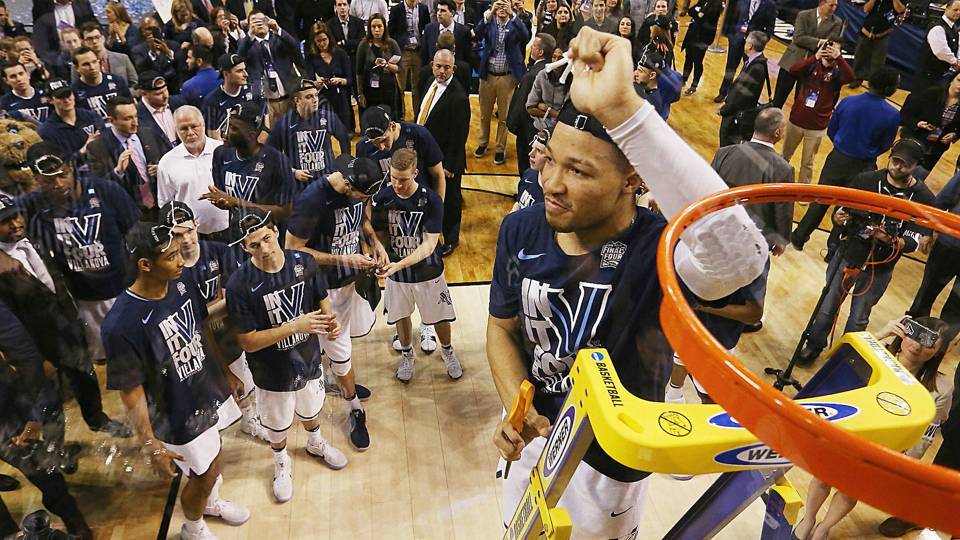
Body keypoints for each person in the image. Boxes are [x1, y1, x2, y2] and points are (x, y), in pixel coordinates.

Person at [490, 27, 767, 539]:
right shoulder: (521, 227)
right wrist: (515, 403)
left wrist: (625, 112)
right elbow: (503, 328)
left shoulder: (661, 251)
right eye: (550, 158)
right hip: (534, 441)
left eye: (579, 170)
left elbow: (738, 259)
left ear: (633, 179)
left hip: (611, 466)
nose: (550, 182)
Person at [103, 222, 250, 540]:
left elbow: (202, 327)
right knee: (203, 472)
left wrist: (224, 372)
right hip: (175, 412)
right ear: (145, 265)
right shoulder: (121, 324)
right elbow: (131, 390)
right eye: (171, 256)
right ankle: (192, 527)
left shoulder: (181, 282)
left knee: (215, 454)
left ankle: (210, 503)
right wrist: (149, 444)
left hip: (206, 387)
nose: (181, 260)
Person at [225, 208, 349, 502]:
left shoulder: (304, 262)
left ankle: (315, 442)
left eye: (267, 238)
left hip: (307, 360)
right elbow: (248, 342)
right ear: (244, 247)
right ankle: (281, 461)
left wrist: (330, 322)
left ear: (276, 231)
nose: (264, 248)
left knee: (312, 408)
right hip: (271, 372)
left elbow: (322, 300)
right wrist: (293, 326)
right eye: (254, 245)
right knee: (277, 425)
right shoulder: (238, 285)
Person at [794, 316, 954, 540]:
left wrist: (904, 462)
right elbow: (841, 358)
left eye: (929, 342)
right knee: (823, 477)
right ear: (903, 330)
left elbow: (927, 434)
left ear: (938, 352)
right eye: (914, 334)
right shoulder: (876, 352)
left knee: (851, 493)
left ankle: (824, 528)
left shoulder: (942, 389)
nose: (917, 345)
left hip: (886, 449)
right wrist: (880, 334)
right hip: (851, 430)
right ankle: (809, 519)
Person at [0, 196, 131, 438]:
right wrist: (33, 357)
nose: (16, 223)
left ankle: (96, 419)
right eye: (5, 221)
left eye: (16, 215)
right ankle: (56, 449)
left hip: (66, 327)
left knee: (85, 377)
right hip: (35, 344)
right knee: (48, 400)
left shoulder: (36, 241)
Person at [796, 140, 935, 365]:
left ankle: (846, 358)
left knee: (859, 317)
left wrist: (896, 241)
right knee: (827, 306)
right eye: (895, 161)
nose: (898, 167)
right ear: (889, 157)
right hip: (848, 254)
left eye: (905, 164)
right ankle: (813, 344)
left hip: (880, 267)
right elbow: (843, 211)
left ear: (916, 166)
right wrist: (838, 218)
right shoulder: (866, 180)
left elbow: (919, 238)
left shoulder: (924, 198)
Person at [285, 155, 387, 450]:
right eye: (363, 195)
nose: (365, 200)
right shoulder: (312, 200)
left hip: (348, 281)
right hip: (320, 289)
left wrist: (375, 242)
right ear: (347, 184)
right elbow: (292, 250)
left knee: (337, 348)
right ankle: (354, 408)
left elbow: (361, 217)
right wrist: (343, 258)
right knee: (340, 351)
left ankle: (334, 379)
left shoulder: (354, 190)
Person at [17, 140, 139, 377]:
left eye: (62, 175)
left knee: (140, 352)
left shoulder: (106, 190)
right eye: (48, 180)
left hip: (125, 290)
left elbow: (137, 234)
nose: (57, 184)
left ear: (71, 166)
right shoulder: (31, 205)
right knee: (108, 361)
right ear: (35, 178)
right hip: (82, 299)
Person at [158, 201, 268, 442]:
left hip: (227, 334)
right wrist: (210, 311)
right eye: (177, 234)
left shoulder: (219, 251)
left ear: (197, 225)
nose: (186, 239)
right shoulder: (168, 271)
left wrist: (203, 314)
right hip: (192, 343)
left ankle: (249, 419)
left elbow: (231, 300)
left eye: (189, 230)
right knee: (205, 393)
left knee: (244, 379)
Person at [0, 301, 91, 540]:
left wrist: (32, 413)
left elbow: (22, 351)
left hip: (5, 412)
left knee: (41, 469)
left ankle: (71, 515)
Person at [373, 148, 463, 381]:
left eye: (402, 180)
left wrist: (397, 265)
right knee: (401, 316)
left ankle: (448, 351)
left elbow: (429, 245)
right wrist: (379, 254)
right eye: (393, 178)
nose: (397, 184)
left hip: (427, 271)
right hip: (396, 272)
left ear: (415, 172)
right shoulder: (383, 198)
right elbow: (380, 234)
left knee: (440, 317)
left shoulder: (431, 200)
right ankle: (407, 354)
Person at [791, 66, 901, 251]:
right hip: (863, 166)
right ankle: (833, 248)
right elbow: (886, 144)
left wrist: (843, 145)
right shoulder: (892, 114)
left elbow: (832, 129)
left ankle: (799, 238)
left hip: (837, 158)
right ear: (889, 88)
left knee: (820, 201)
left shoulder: (848, 101)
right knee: (849, 209)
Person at [712, 108, 794, 256]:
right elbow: (783, 210)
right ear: (777, 133)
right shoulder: (783, 169)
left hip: (719, 231)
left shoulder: (723, 153)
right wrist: (781, 240)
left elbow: (708, 190)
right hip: (754, 244)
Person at [204, 105, 297, 227]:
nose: (224, 131)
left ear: (251, 135)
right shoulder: (221, 154)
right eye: (227, 124)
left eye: (233, 128)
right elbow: (226, 199)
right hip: (237, 233)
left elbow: (285, 211)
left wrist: (236, 202)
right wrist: (224, 202)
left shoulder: (277, 161)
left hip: (269, 236)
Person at [417, 50, 471, 256]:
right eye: (439, 66)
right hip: (425, 153)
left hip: (445, 160)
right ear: (432, 65)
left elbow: (460, 135)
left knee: (450, 200)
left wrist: (450, 164)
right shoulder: (428, 81)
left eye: (447, 67)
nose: (442, 71)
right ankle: (428, 233)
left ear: (453, 69)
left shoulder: (458, 97)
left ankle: (451, 238)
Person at [85, 96, 173, 220]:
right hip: (130, 215)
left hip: (162, 207)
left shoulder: (149, 134)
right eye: (128, 119)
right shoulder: (97, 148)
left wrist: (162, 169)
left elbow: (172, 161)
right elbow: (98, 188)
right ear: (111, 120)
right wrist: (118, 171)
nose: (135, 122)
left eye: (135, 116)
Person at [782, 40, 854, 184]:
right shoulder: (811, 64)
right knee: (784, 156)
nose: (830, 52)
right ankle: (777, 181)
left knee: (807, 163)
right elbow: (793, 70)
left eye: (834, 50)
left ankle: (803, 191)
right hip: (796, 120)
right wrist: (815, 56)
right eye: (828, 48)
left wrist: (839, 58)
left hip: (817, 126)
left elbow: (851, 78)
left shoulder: (838, 71)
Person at [157, 106, 231, 239]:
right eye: (184, 129)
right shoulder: (166, 163)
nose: (190, 132)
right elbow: (166, 204)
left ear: (203, 124)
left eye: (194, 126)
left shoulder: (224, 151)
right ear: (176, 131)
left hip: (231, 229)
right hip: (193, 236)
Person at [474, 0, 531, 165]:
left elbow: (525, 36)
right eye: (499, 4)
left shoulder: (516, 23)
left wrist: (513, 15)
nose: (502, 8)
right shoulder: (489, 21)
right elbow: (477, 33)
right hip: (488, 76)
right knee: (484, 114)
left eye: (505, 4)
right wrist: (490, 13)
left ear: (511, 7)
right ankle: (483, 143)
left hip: (507, 77)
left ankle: (500, 148)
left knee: (504, 117)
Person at [266, 78, 350, 185]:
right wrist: (293, 172)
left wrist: (343, 167)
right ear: (297, 100)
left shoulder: (328, 117)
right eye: (309, 97)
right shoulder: (284, 123)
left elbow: (344, 139)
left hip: (327, 180)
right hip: (300, 184)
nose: (315, 100)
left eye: (316, 95)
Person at [356, 105, 446, 198]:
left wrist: (438, 207)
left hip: (419, 204)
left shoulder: (419, 135)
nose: (381, 147)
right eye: (375, 143)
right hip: (385, 206)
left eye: (383, 140)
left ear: (393, 126)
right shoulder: (363, 147)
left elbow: (438, 175)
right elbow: (365, 189)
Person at [907, 170, 960, 321]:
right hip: (949, 246)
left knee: (955, 311)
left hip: (949, 244)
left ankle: (938, 345)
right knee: (924, 298)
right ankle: (904, 342)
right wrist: (927, 231)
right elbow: (941, 202)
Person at [771, 0, 842, 108]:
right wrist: (819, 42)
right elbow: (798, 37)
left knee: (800, 104)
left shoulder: (837, 22)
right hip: (790, 62)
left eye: (836, 5)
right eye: (831, 5)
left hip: (811, 68)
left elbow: (828, 43)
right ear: (822, 3)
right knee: (778, 100)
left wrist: (807, 40)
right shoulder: (804, 15)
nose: (834, 8)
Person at [238, 11, 305, 120]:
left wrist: (278, 29)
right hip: (266, 105)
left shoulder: (280, 38)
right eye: (255, 21)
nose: (259, 24)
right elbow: (239, 58)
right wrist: (250, 35)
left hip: (289, 98)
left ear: (268, 22)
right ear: (249, 26)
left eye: (262, 20)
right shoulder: (246, 44)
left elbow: (295, 48)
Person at [507, 33, 555, 175]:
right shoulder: (550, 71)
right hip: (545, 127)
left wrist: (512, 125)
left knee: (527, 163)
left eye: (533, 46)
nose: (531, 49)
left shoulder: (532, 75)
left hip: (528, 129)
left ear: (540, 52)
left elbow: (522, 105)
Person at [715, 0, 776, 102]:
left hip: (753, 44)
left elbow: (770, 28)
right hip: (736, 39)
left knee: (747, 71)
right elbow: (732, 17)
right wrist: (731, 35)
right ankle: (723, 92)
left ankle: (735, 97)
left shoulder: (770, 4)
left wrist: (761, 42)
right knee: (730, 67)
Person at [717, 31, 770, 147]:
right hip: (735, 112)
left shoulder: (756, 68)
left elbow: (741, 96)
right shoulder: (753, 62)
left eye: (746, 42)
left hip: (736, 118)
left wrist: (724, 110)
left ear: (750, 46)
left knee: (727, 148)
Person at [900, 71, 960, 171]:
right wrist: (917, 124)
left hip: (936, 149)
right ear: (951, 80)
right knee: (900, 171)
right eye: (958, 80)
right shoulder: (932, 94)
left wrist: (955, 135)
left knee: (918, 178)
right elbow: (906, 114)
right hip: (915, 139)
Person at [303, 22, 355, 133]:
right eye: (318, 41)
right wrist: (316, 83)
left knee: (346, 135)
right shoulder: (310, 57)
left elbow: (350, 79)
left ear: (329, 38)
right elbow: (309, 81)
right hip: (323, 101)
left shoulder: (340, 53)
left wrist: (340, 81)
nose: (322, 44)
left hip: (341, 99)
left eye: (324, 40)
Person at [202, 53, 267, 140]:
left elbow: (265, 125)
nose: (246, 74)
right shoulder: (212, 101)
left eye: (245, 69)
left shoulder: (254, 92)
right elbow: (213, 136)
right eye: (239, 71)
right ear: (226, 74)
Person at [37, 78, 105, 161]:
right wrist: (82, 151)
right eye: (60, 97)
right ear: (50, 100)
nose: (66, 100)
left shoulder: (92, 117)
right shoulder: (46, 131)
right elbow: (58, 164)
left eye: (68, 94)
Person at [389, 0, 430, 121]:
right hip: (403, 52)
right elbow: (391, 31)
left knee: (417, 86)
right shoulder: (397, 9)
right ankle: (400, 115)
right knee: (400, 86)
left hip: (418, 51)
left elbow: (426, 29)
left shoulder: (423, 9)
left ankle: (417, 115)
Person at [850, 0, 906, 88]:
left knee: (878, 63)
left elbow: (900, 10)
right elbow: (866, 9)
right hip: (866, 31)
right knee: (860, 57)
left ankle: (874, 85)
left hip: (882, 34)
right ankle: (857, 78)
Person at [355, 14, 402, 119]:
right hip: (369, 90)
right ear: (369, 28)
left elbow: (399, 68)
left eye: (379, 26)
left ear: (384, 27)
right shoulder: (363, 45)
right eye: (373, 27)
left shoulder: (392, 44)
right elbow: (359, 72)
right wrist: (360, 93)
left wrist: (387, 65)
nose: (377, 30)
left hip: (389, 90)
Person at [71, 45, 132, 120]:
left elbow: (130, 107)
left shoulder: (117, 81)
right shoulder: (74, 91)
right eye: (86, 64)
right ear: (77, 68)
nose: (92, 67)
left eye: (94, 62)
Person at [680, 0, 722, 96]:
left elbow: (707, 18)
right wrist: (698, 14)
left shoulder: (717, 4)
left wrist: (699, 14)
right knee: (688, 58)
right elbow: (690, 11)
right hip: (692, 34)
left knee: (697, 61)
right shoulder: (702, 1)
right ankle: (683, 79)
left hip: (703, 39)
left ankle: (694, 85)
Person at [76, 22, 138, 86]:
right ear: (83, 42)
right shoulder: (79, 64)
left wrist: (123, 92)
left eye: (97, 37)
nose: (94, 41)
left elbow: (135, 84)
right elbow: (77, 88)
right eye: (89, 39)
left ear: (103, 38)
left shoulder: (123, 59)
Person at [136, 71, 187, 146]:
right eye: (158, 94)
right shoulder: (136, 115)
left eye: (166, 90)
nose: (165, 96)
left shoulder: (178, 103)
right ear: (144, 94)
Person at [421, 0, 474, 69]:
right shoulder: (429, 29)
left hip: (457, 74)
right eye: (438, 10)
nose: (439, 13)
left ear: (452, 13)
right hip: (433, 74)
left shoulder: (464, 31)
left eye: (443, 11)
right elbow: (424, 55)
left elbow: (467, 57)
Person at [512, 129, 549, 211]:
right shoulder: (529, 174)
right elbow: (519, 202)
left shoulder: (552, 196)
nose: (531, 154)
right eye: (533, 148)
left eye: (539, 151)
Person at [326, 0, 366, 67]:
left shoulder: (359, 23)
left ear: (349, 6)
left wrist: (343, 42)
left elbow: (361, 42)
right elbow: (332, 44)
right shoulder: (329, 24)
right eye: (339, 5)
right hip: (338, 61)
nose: (342, 7)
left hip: (356, 60)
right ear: (335, 7)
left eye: (344, 4)